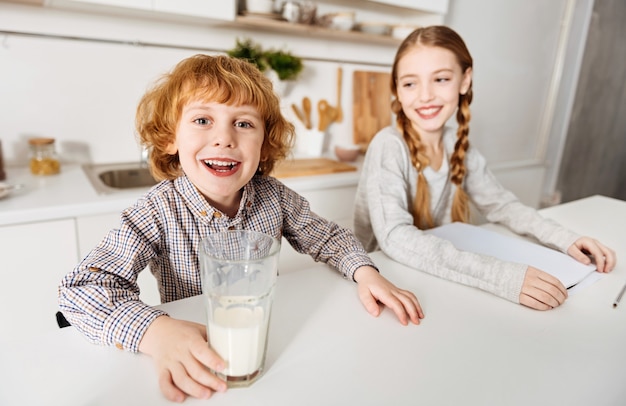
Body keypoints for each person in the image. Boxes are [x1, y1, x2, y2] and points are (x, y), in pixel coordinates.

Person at [58, 54, 424, 403]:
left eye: (244, 123)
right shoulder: (156, 212)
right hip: (194, 361)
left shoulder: (274, 197)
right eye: (203, 120)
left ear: (264, 145)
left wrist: (365, 272)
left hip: (268, 352)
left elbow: (327, 237)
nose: (224, 138)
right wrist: (155, 332)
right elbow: (80, 290)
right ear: (171, 138)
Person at [354, 25, 616, 312]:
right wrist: (503, 277)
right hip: (391, 282)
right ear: (397, 91)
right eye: (409, 83)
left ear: (465, 81)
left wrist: (566, 239)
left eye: (440, 79)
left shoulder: (458, 146)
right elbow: (394, 238)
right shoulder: (388, 145)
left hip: (439, 279)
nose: (425, 95)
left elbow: (502, 205)